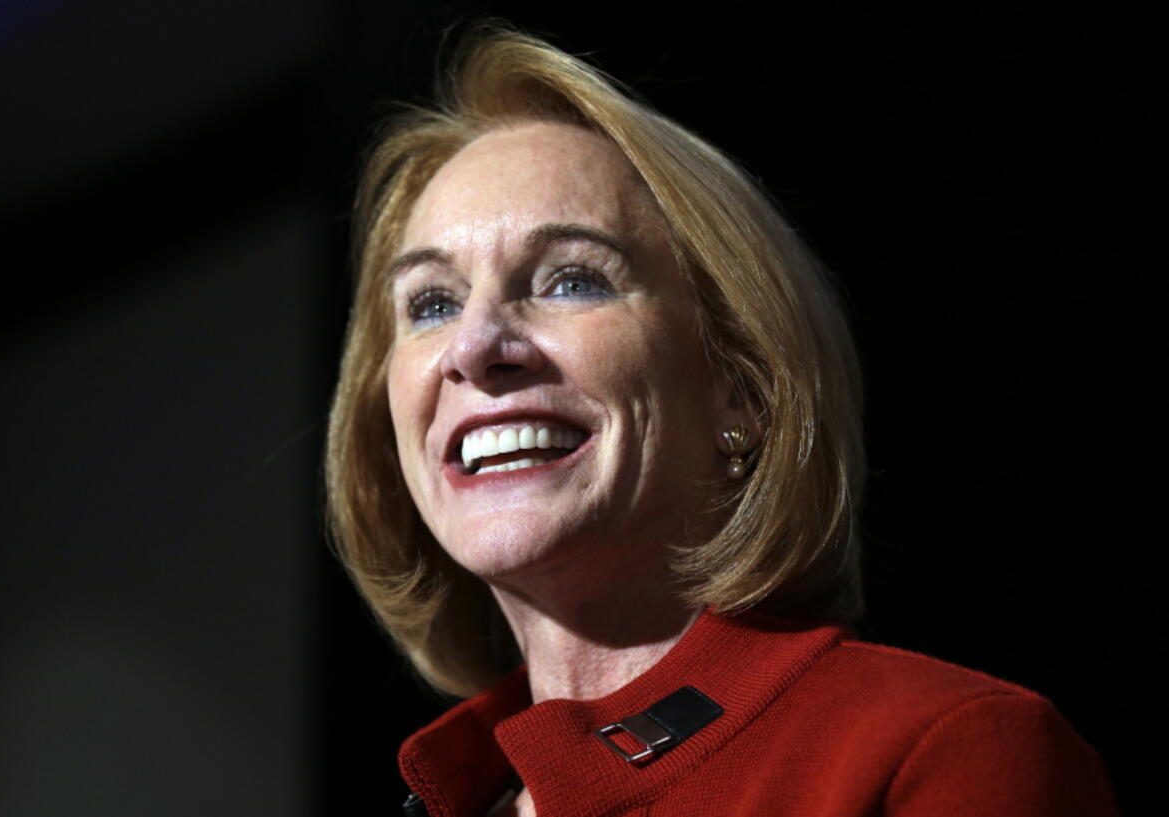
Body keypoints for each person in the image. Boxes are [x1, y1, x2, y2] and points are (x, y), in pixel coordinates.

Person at [325, 25, 1117, 817]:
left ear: (742, 388)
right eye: (431, 303)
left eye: (571, 280)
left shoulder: (942, 749)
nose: (473, 346)